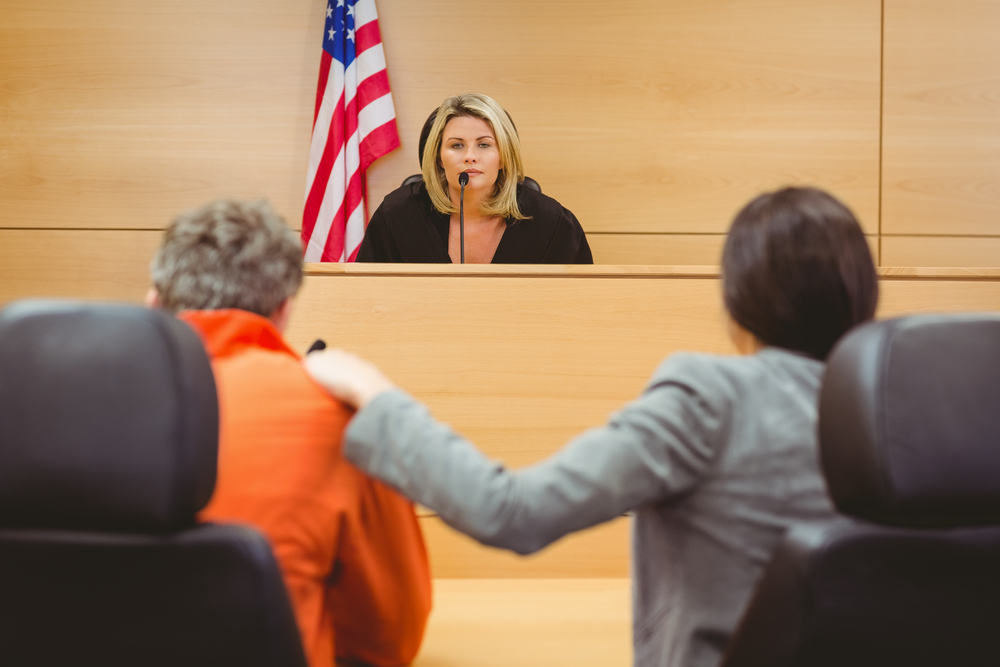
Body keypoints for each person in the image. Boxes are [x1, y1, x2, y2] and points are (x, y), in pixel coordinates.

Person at [304, 187, 880, 667]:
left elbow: (510, 510)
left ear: (737, 300)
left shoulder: (711, 400)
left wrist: (375, 395)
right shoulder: (898, 409)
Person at [146, 200, 431, 667]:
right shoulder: (341, 418)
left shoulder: (52, 405)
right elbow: (388, 635)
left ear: (154, 301)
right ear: (283, 311)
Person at [357, 92, 593, 264]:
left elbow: (582, 306)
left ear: (503, 158)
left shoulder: (552, 223)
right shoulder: (397, 216)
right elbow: (364, 299)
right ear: (439, 158)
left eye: (484, 144)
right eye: (457, 145)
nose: (470, 156)